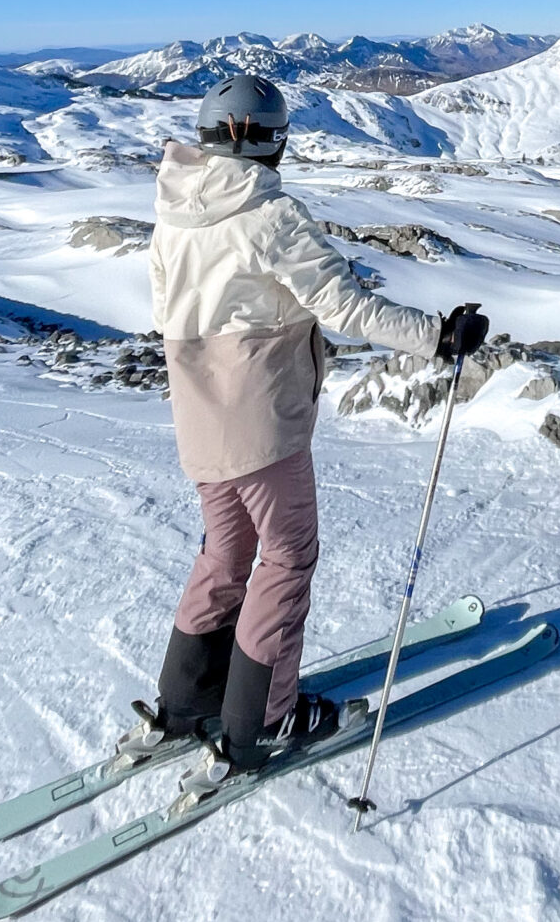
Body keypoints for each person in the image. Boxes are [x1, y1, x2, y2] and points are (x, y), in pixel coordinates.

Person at [138, 73, 488, 771]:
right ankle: (266, 721)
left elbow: (163, 309)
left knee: (225, 554)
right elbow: (347, 306)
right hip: (263, 421)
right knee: (287, 557)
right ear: (271, 141)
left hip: (198, 417)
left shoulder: (172, 211)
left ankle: (187, 701)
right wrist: (438, 337)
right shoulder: (269, 216)